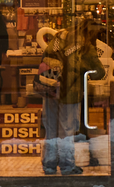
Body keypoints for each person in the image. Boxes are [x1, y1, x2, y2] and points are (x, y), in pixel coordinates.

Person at [37, 16, 105, 175]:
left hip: (50, 88)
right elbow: (99, 72)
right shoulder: (85, 46)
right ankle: (67, 165)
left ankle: (49, 165)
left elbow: (45, 58)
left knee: (51, 129)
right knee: (67, 131)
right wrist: (85, 73)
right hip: (70, 93)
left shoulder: (58, 37)